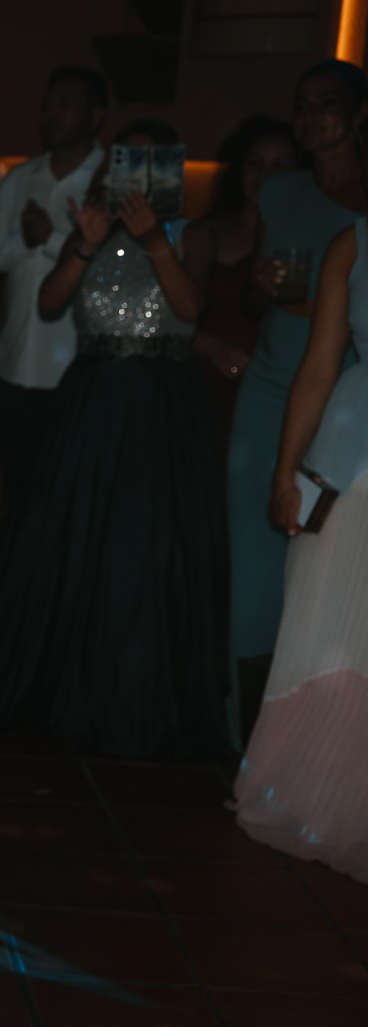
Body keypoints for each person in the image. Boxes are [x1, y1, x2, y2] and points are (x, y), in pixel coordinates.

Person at [0, 119, 228, 759]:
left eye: (162, 162)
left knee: (146, 547)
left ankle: (135, 695)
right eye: (135, 160)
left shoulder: (193, 234)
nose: (145, 173)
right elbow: (50, 303)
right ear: (114, 168)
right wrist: (83, 243)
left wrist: (156, 241)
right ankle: (67, 690)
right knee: (77, 541)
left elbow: (189, 310)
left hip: (161, 403)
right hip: (95, 396)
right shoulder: (91, 229)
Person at [235, 215, 368, 879]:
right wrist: (286, 469)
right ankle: (320, 795)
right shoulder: (352, 242)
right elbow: (320, 362)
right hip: (352, 442)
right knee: (324, 622)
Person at [227, 61, 367, 682]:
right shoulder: (281, 192)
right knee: (255, 566)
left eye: (327, 103)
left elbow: (348, 309)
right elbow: (256, 303)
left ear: (359, 112)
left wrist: (309, 300)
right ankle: (246, 743)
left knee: (325, 570)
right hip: (270, 390)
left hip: (346, 404)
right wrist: (262, 290)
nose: (311, 116)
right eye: (301, 104)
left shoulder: (365, 209)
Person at [0, 68, 109, 510]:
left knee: (69, 501)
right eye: (47, 105)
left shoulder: (108, 181)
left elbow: (115, 271)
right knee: (18, 493)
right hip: (16, 365)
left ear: (96, 116)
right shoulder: (21, 178)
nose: (52, 114)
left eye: (66, 104)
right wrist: (26, 240)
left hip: (76, 371)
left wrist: (53, 239)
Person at [194, 117, 296, 446]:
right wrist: (209, 348)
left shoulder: (301, 243)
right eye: (255, 163)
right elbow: (157, 313)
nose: (265, 174)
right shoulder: (201, 233)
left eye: (280, 164)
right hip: (193, 385)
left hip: (264, 395)